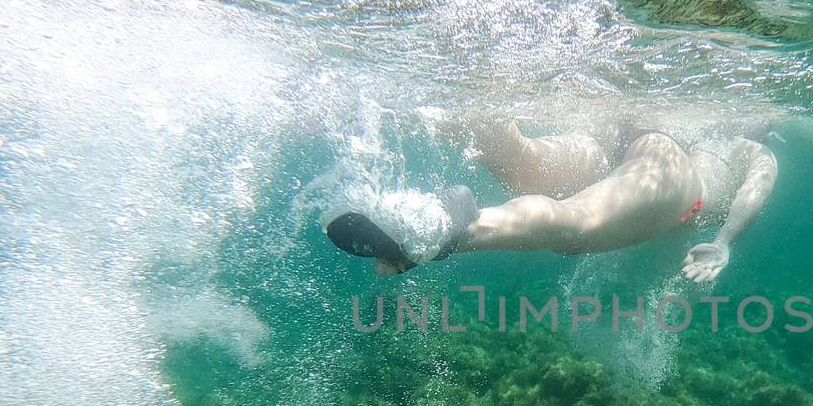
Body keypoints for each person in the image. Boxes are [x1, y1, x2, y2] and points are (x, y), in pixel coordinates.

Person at [325, 118, 778, 284]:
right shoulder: (747, 147)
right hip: (675, 174)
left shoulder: (712, 130)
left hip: (616, 140)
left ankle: (392, 115)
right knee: (575, 226)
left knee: (517, 158)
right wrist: (725, 242)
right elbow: (757, 187)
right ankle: (432, 229)